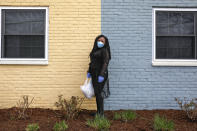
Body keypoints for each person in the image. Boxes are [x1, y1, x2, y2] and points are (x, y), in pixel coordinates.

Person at [87, 34, 111, 116]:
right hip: (94, 74)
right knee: (97, 93)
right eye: (99, 40)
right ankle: (98, 112)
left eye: (102, 41)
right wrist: (89, 72)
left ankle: (101, 114)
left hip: (100, 74)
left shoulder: (104, 50)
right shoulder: (95, 50)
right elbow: (92, 63)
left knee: (99, 93)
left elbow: (105, 63)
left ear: (105, 43)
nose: (100, 42)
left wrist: (101, 75)